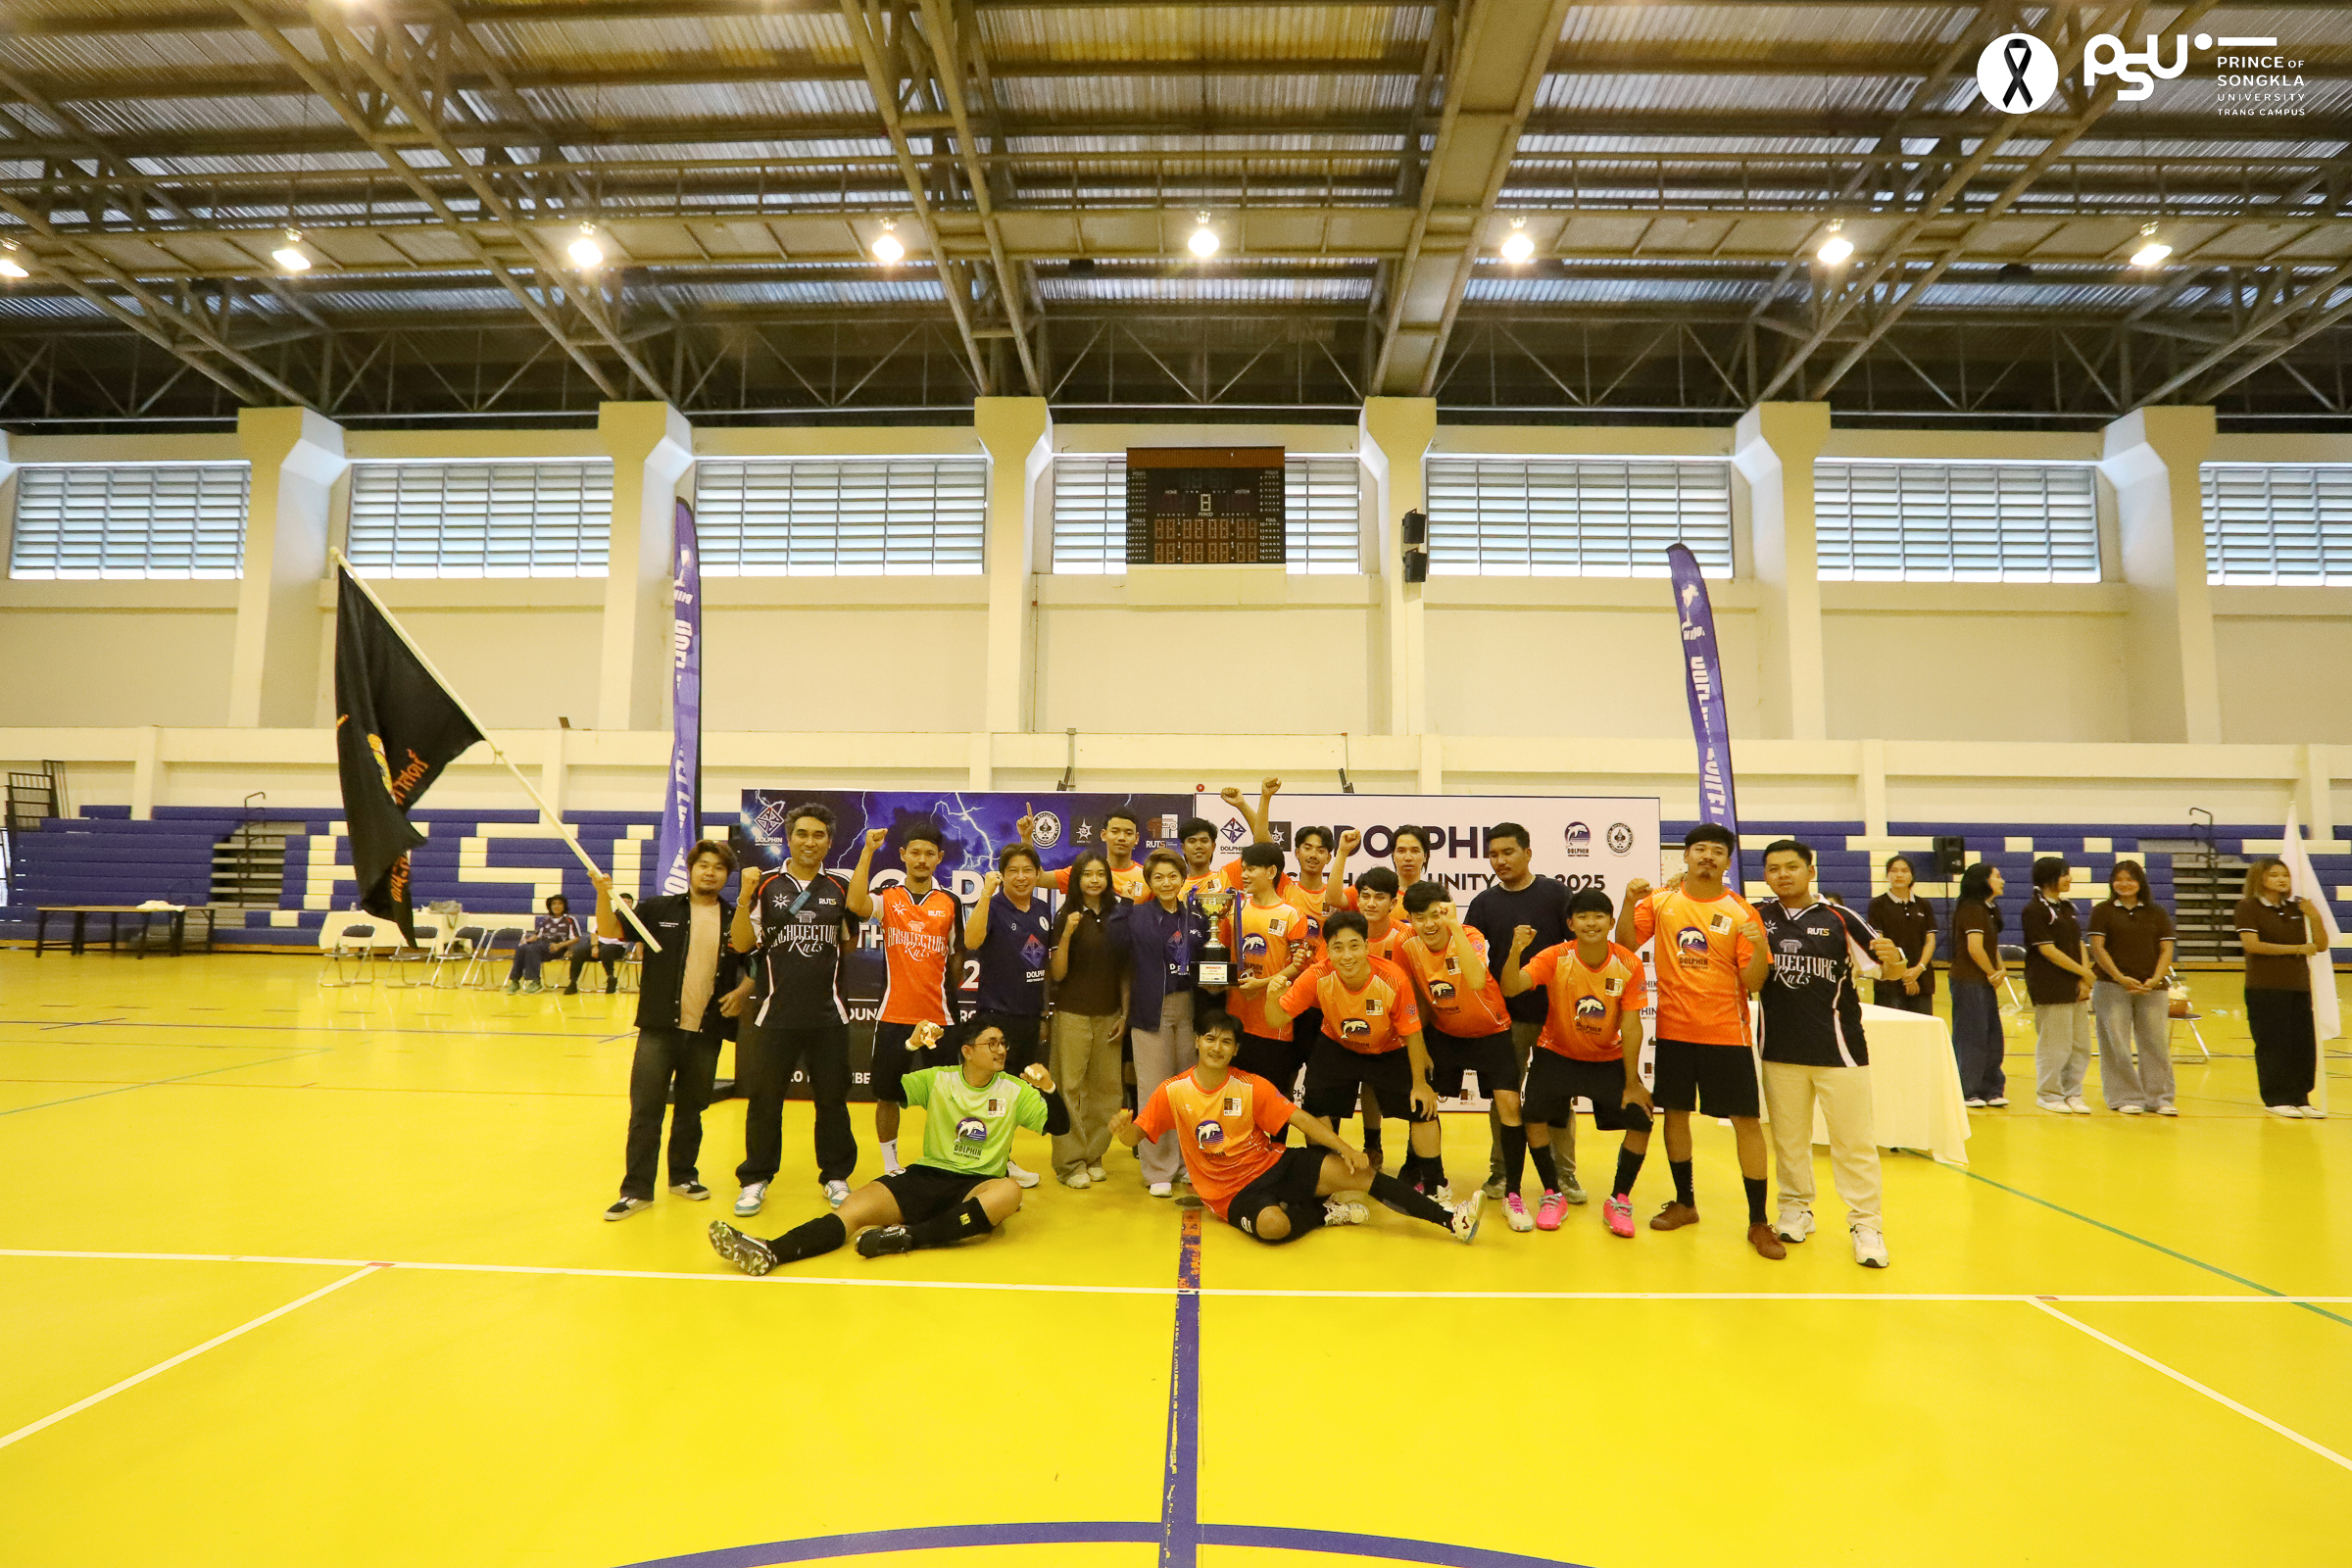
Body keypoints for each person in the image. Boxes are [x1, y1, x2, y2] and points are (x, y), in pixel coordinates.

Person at [707, 1021, 1069, 1274]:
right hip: (927, 1175)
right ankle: (771, 1250)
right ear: (967, 1051)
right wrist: (910, 1046)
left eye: (1003, 1043)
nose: (1001, 1050)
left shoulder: (1014, 1089)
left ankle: (907, 1237)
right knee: (851, 1209)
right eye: (992, 1043)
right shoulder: (940, 1079)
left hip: (976, 1183)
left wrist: (1050, 1090)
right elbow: (886, 1087)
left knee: (1009, 1192)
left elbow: (1059, 1125)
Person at [1112, 1009, 1482, 1245]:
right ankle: (1322, 1212)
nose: (1217, 1047)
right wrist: (1122, 1130)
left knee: (1361, 1174)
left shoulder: (1251, 1086)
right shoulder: (1174, 1091)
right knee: (1273, 1227)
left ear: (1236, 1049)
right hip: (1230, 1193)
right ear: (1197, 1042)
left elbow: (1300, 1119)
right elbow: (1136, 1137)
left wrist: (1345, 1149)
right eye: (1210, 1039)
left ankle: (1452, 1220)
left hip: (1273, 1164)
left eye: (1226, 1042)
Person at [1615, 823, 1778, 1257]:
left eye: (1717, 851)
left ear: (1727, 862)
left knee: (1746, 1121)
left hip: (1728, 1034)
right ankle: (1685, 1203)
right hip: (1674, 1032)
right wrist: (1629, 903)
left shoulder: (1742, 911)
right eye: (1700, 848)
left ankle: (1759, 1221)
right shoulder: (1662, 901)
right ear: (1685, 856)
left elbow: (1755, 982)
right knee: (1676, 1114)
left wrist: (1759, 945)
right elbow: (1626, 947)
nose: (1708, 856)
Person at [1752, 840, 1907, 1269]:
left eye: (1792, 867)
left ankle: (1866, 1224)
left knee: (1853, 1143)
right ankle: (1795, 1208)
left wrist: (1895, 958)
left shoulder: (1841, 917)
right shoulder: (1757, 917)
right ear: (1765, 875)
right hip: (1779, 1050)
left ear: (1811, 871)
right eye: (1774, 868)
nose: (1783, 875)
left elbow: (1889, 969)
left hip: (1840, 1052)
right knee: (1788, 1140)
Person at [728, 803, 879, 1216]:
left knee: (832, 1101)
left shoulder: (841, 888)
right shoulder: (764, 885)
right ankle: (755, 1179)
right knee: (765, 1102)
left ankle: (835, 1176)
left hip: (829, 1017)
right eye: (802, 834)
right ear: (788, 838)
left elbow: (847, 944)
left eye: (818, 835)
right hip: (774, 1015)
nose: (809, 842)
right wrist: (742, 898)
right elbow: (742, 944)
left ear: (829, 843)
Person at [594, 843, 754, 1220]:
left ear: (726, 876)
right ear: (691, 869)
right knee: (645, 1110)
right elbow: (610, 930)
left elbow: (756, 963)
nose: (710, 872)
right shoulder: (658, 908)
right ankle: (636, 1190)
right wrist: (602, 893)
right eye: (703, 865)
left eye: (718, 868)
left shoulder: (734, 918)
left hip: (706, 1030)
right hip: (659, 1028)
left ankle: (683, 1176)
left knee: (692, 1109)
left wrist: (743, 992)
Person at [1264, 910, 1455, 1205]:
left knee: (1422, 1107)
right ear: (1328, 951)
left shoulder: (1392, 978)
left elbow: (1413, 1032)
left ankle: (1435, 1184)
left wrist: (1420, 1083)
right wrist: (1271, 996)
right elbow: (1276, 1019)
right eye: (1338, 947)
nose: (1347, 956)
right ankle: (1324, 1181)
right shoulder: (1316, 976)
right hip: (1337, 1045)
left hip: (1388, 1048)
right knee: (1315, 1106)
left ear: (1366, 946)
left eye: (1354, 946)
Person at [1501, 889, 1650, 1237]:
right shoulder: (1556, 956)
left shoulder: (1629, 964)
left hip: (1607, 1057)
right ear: (1571, 924)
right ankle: (1552, 1193)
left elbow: (1632, 1026)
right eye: (1582, 917)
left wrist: (1632, 1081)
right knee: (1533, 1116)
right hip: (1557, 1052)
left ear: (1611, 922)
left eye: (1598, 916)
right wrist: (1515, 951)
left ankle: (1619, 1199)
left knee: (1641, 1120)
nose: (1591, 923)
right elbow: (1511, 987)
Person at [1464, 821, 1580, 1204]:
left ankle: (1564, 1175)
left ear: (1527, 853)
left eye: (1508, 852)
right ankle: (1501, 1171)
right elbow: (1471, 961)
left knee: (1556, 1099)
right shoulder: (1483, 904)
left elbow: (1578, 950)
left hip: (1553, 1018)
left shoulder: (1556, 894)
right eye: (1493, 855)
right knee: (1504, 1100)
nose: (1500, 860)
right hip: (1504, 1020)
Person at [1396, 880, 1516, 1212]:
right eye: (1420, 917)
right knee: (1422, 1102)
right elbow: (1415, 995)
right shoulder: (1406, 943)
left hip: (1491, 1030)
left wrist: (1455, 927)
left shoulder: (1470, 935)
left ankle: (1513, 1191)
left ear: (1448, 910)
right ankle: (1433, 1181)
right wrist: (1420, 1044)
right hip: (1444, 1033)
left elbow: (1475, 980)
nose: (1429, 924)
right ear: (1410, 919)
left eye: (1436, 915)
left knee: (1509, 1105)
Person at [869, 822, 965, 1176]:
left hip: (939, 1017)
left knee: (948, 1096)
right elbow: (856, 904)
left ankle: (946, 1160)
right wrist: (867, 851)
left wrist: (942, 990)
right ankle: (890, 1163)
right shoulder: (887, 896)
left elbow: (957, 954)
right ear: (903, 855)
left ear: (939, 858)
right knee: (887, 1093)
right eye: (915, 852)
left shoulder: (950, 901)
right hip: (894, 1015)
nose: (922, 859)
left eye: (929, 853)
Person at [1119, 848, 1213, 1196]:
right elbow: (1120, 955)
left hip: (1188, 1008)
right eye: (1158, 877)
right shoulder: (1136, 916)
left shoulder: (1197, 917)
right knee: (1154, 1091)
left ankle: (1188, 1163)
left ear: (1183, 879)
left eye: (1173, 876)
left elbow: (1207, 961)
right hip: (1151, 1010)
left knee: (1187, 1089)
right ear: (1149, 882)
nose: (1166, 883)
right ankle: (1157, 1168)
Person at [962, 843, 1052, 1188]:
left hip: (1028, 1016)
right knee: (988, 1092)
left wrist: (1043, 1015)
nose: (1021, 877)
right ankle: (976, 1160)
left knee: (1011, 1094)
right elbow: (971, 941)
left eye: (1027, 870)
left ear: (1037, 875)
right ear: (1002, 875)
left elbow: (1042, 966)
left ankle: (1002, 1158)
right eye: (1012, 870)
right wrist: (985, 894)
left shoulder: (1042, 909)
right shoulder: (994, 905)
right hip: (995, 1015)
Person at [1213, 841, 1323, 1118]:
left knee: (1274, 1100)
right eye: (1243, 869)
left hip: (1275, 1025)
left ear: (1272, 871)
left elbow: (1299, 968)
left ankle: (1275, 1144)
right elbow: (1222, 957)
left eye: (1251, 869)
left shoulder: (1292, 914)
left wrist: (1261, 984)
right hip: (1237, 1021)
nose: (1245, 875)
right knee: (1237, 1100)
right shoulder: (1234, 910)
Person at [1047, 849, 1131, 1188]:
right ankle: (1070, 1163)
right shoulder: (1064, 914)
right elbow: (1057, 972)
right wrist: (1068, 932)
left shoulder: (1119, 914)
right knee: (1068, 1088)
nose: (1094, 880)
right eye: (1087, 874)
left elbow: (1125, 970)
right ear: (1077, 880)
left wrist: (1125, 1013)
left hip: (1109, 1014)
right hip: (1072, 1013)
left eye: (1100, 874)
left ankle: (1094, 1154)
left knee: (1107, 1090)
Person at [2235, 857, 2329, 1118]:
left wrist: (2315, 916)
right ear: (2260, 878)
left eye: (2285, 875)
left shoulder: (2297, 908)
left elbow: (2320, 945)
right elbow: (2252, 945)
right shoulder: (2247, 907)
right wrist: (2296, 948)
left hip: (2299, 986)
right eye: (2274, 874)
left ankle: (2301, 1098)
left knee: (2302, 1044)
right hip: (2265, 987)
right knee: (2273, 1043)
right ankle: (2276, 1098)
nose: (2281, 879)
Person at [2088, 859, 2179, 1116]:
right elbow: (2098, 948)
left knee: (2155, 1043)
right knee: (2116, 1043)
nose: (2124, 884)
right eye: (2119, 879)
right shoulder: (2102, 911)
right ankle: (2124, 1096)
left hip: (2152, 989)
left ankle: (2159, 1098)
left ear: (2140, 882)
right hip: (2111, 986)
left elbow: (2166, 949)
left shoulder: (2157, 912)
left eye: (2130, 879)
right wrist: (2119, 977)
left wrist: (2156, 979)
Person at [2022, 857, 2096, 1114]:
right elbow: (2048, 950)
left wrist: (2085, 978)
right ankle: (2049, 1093)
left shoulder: (2067, 907)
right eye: (2064, 874)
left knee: (2080, 1043)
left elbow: (2078, 943)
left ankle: (2072, 1092)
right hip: (2050, 984)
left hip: (2075, 984)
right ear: (2048, 878)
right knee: (2055, 1043)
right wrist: (2083, 972)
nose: (2069, 879)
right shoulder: (2034, 910)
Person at [1947, 862, 2009, 1107]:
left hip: (1983, 980)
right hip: (1968, 980)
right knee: (1971, 1035)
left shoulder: (1988, 909)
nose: (2002, 881)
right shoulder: (1971, 909)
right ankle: (1968, 1089)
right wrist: (1992, 972)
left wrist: (2000, 969)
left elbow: (1991, 947)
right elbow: (1975, 948)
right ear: (1983, 881)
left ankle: (1991, 1089)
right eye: (1997, 876)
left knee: (1992, 1035)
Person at [1023, 803, 1150, 901]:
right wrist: (1027, 837)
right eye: (1115, 831)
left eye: (1128, 833)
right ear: (1104, 835)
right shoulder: (1083, 873)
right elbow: (1040, 879)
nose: (1121, 838)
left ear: (1136, 838)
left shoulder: (1147, 877)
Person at [1865, 855, 1938, 1015]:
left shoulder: (1924, 905)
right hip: (1890, 982)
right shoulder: (1877, 905)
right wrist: (1904, 974)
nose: (1899, 875)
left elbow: (1930, 941)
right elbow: (1880, 942)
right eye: (1894, 871)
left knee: (1921, 1026)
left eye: (1904, 871)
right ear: (1887, 875)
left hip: (1922, 979)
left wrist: (1918, 970)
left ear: (1912, 875)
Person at [506, 893, 580, 995]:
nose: (556, 906)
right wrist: (527, 940)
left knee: (533, 949)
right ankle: (515, 981)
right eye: (554, 904)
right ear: (550, 906)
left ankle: (535, 982)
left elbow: (576, 938)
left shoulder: (569, 920)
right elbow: (537, 935)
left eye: (560, 903)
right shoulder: (546, 920)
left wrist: (560, 945)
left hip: (557, 948)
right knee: (522, 948)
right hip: (542, 947)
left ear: (564, 906)